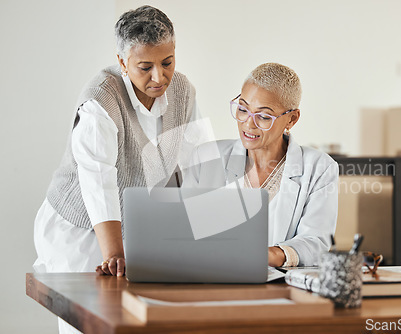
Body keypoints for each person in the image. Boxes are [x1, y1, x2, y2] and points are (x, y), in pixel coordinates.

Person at [33, 6, 209, 332]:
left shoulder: (184, 91)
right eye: (146, 67)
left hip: (133, 226)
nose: (159, 77)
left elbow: (200, 165)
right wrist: (114, 253)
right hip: (80, 226)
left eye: (167, 63)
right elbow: (98, 178)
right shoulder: (101, 97)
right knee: (88, 324)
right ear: (122, 61)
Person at [183, 63, 338, 267]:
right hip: (212, 280)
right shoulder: (205, 157)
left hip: (282, 288)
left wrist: (270, 255)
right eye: (243, 109)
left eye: (264, 116)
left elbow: (316, 242)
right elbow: (184, 229)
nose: (248, 123)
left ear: (291, 119)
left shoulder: (320, 167)